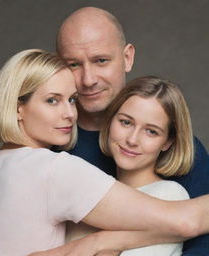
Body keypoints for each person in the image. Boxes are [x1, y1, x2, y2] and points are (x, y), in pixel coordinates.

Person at [0, 49, 209, 256]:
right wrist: (95, 245)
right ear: (18, 108)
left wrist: (97, 243)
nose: (70, 113)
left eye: (72, 99)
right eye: (52, 100)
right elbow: (187, 221)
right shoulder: (53, 170)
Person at [55, 6, 209, 255]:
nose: (88, 79)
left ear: (127, 58)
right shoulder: (51, 148)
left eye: (101, 60)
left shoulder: (183, 154)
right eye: (73, 64)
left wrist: (98, 243)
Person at [66, 76, 192, 255]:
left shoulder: (169, 196)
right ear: (110, 122)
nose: (132, 140)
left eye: (151, 131)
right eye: (126, 122)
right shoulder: (94, 190)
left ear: (167, 142)